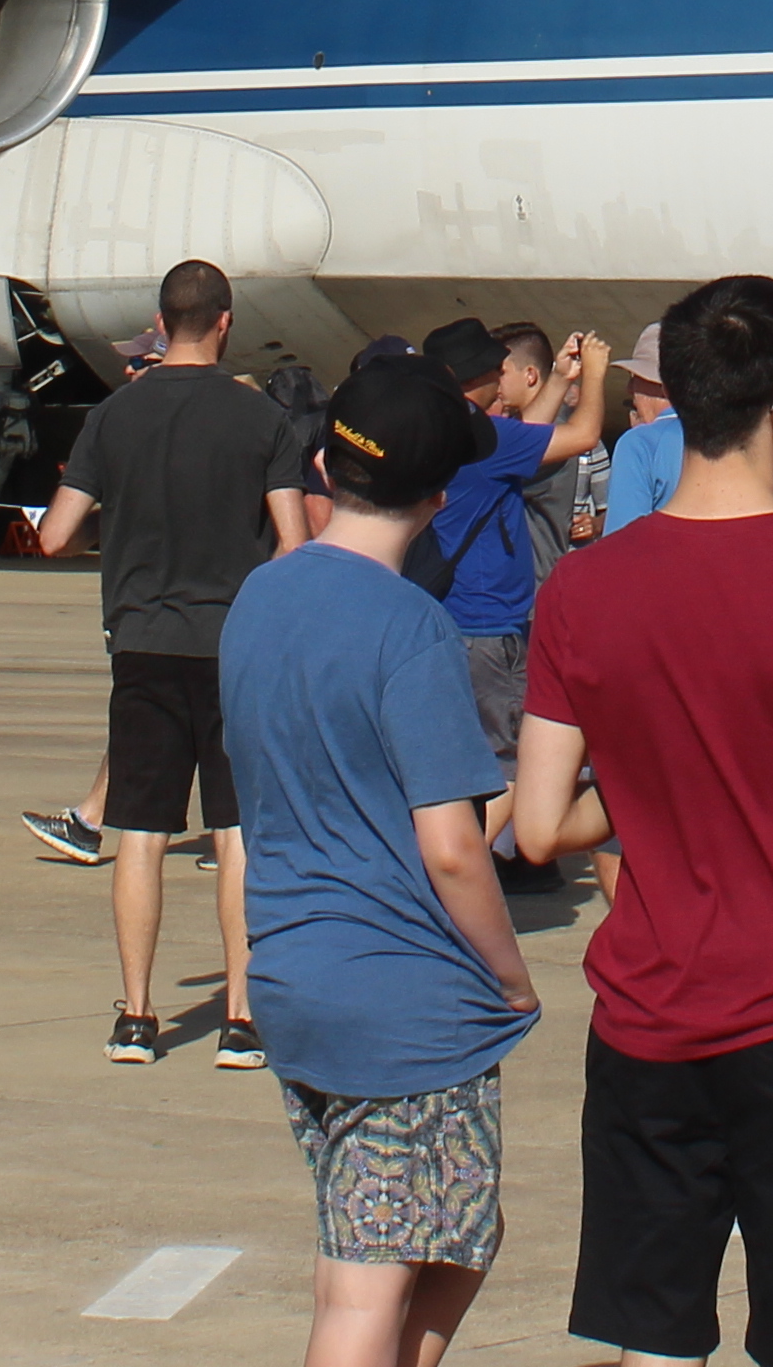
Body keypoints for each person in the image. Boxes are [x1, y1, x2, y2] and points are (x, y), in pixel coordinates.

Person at [506, 273, 773, 1367]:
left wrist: (640, 792)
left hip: (652, 1019)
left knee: (654, 1334)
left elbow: (541, 826)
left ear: (671, 399)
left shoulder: (586, 592)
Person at [223, 348, 542, 1367]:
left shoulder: (260, 601)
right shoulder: (411, 628)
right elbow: (453, 848)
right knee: (367, 1285)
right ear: (442, 497)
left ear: (323, 464)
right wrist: (508, 974)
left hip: (290, 975)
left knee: (437, 1237)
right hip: (402, 1001)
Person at [34, 257, 320, 1064]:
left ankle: (136, 1014)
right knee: (235, 835)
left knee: (144, 834)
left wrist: (120, 532)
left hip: (144, 646)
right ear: (224, 324)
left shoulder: (114, 417)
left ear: (162, 325)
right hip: (234, 647)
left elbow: (55, 534)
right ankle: (239, 1018)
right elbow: (294, 545)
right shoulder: (261, 419)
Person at [426, 318, 610, 878]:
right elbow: (577, 437)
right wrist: (595, 380)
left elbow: (525, 439)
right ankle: (442, 869)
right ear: (479, 379)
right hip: (489, 624)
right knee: (510, 765)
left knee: (450, 760)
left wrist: (557, 380)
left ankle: (435, 862)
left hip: (444, 617)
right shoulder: (486, 435)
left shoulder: (448, 430)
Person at [597, 323, 685, 537]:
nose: (629, 388)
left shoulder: (639, 444)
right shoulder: (747, 438)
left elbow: (622, 543)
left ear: (663, 386)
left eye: (637, 378)